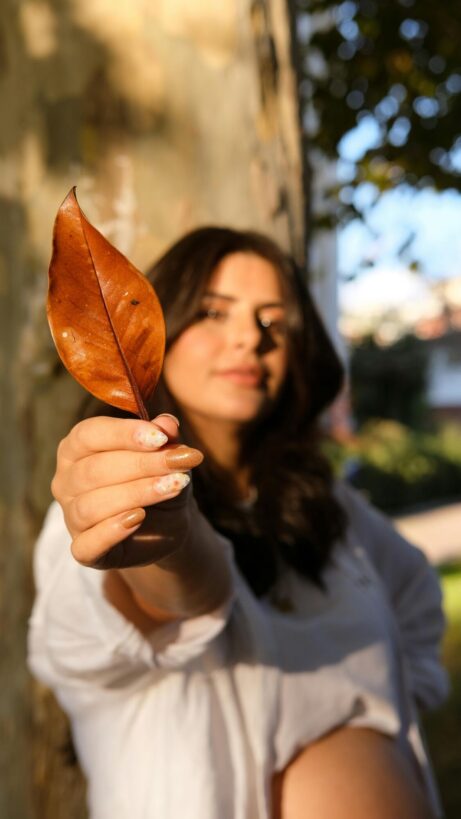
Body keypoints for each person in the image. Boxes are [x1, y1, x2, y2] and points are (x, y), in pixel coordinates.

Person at [28, 227, 448, 819]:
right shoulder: (98, 506)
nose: (249, 339)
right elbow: (157, 603)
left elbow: (416, 597)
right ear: (157, 324)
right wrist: (165, 541)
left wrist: (400, 705)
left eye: (273, 322)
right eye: (212, 313)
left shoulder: (330, 507)